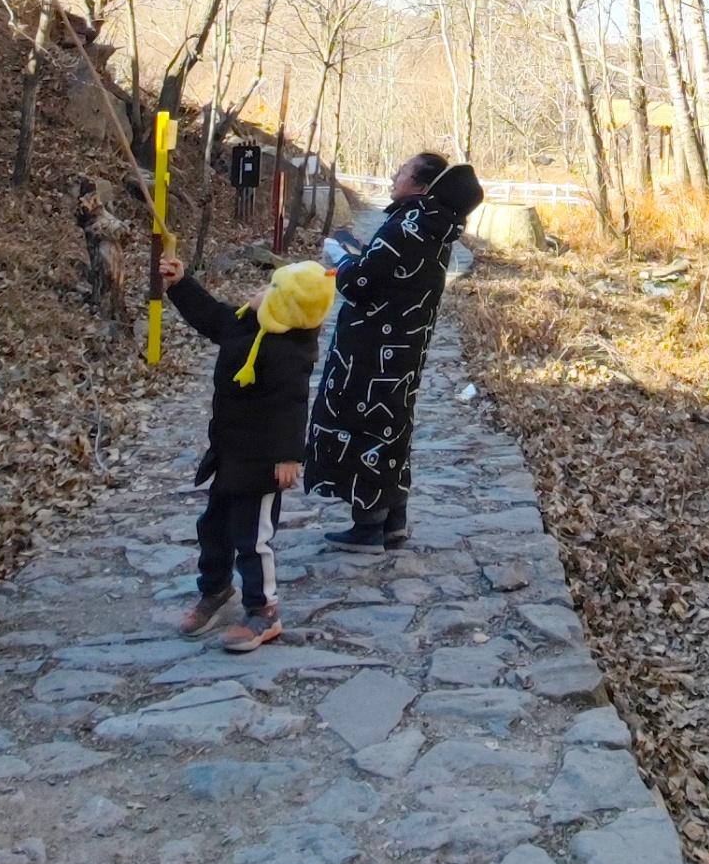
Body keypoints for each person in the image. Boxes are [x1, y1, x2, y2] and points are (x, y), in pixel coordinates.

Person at [307, 152, 482, 551]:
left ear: (420, 186)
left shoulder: (406, 225)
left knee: (363, 422)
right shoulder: (435, 226)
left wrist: (340, 258)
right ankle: (393, 519)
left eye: (401, 172)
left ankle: (368, 524)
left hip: (370, 351)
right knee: (392, 425)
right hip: (405, 348)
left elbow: (361, 282)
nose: (393, 175)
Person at [160, 252, 335, 647]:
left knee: (252, 538)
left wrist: (290, 456)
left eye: (272, 289)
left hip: (262, 463)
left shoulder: (290, 351)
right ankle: (216, 588)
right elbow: (212, 317)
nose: (259, 290)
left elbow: (292, 406)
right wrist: (180, 284)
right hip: (230, 451)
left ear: (286, 307)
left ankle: (263, 610)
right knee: (214, 526)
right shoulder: (248, 324)